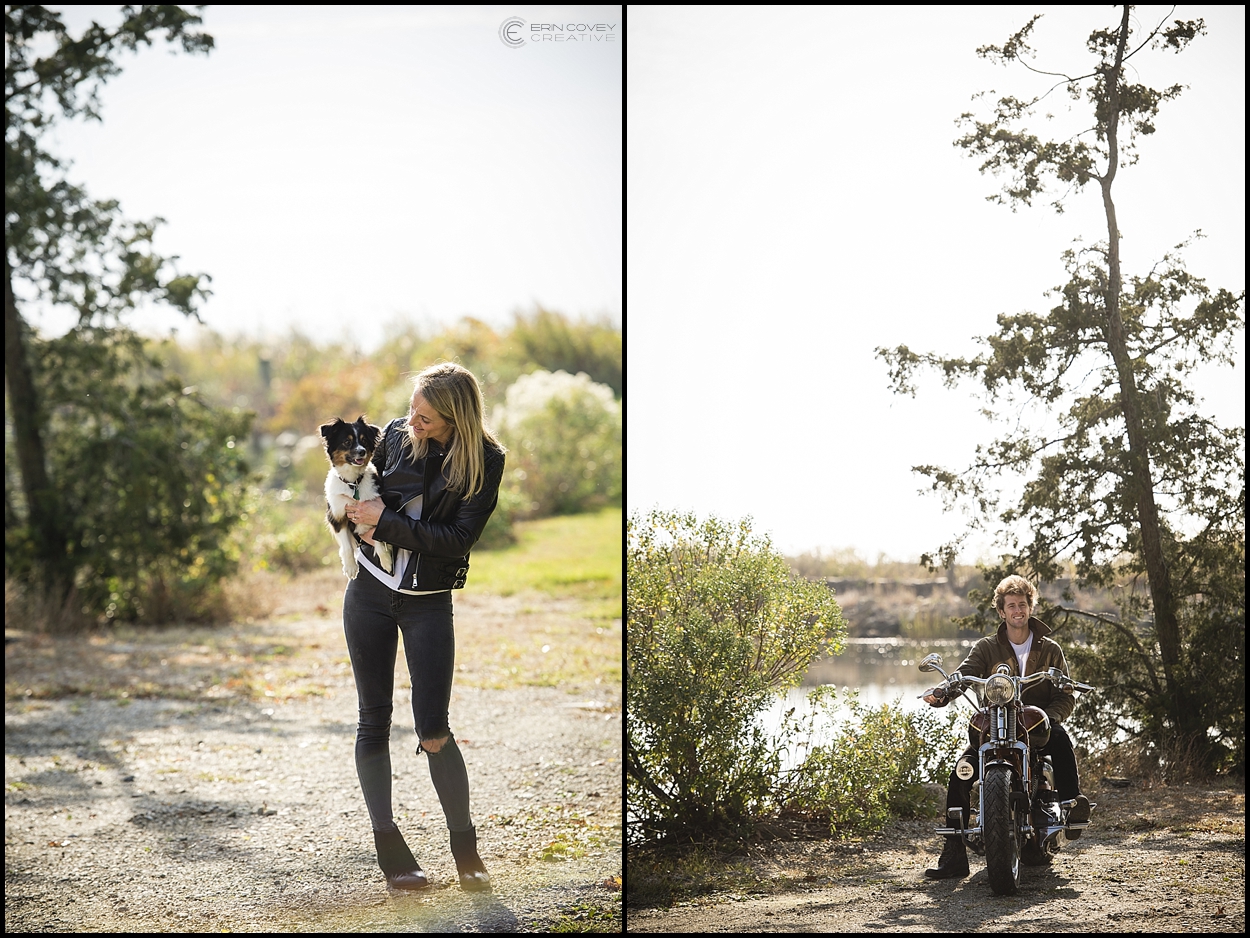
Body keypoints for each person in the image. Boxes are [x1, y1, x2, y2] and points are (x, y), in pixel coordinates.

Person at [341, 362, 505, 891]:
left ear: (455, 417)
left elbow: (456, 537)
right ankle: (390, 849)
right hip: (367, 594)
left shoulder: (486, 461)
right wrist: (348, 512)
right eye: (412, 409)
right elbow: (359, 492)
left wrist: (383, 522)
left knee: (433, 730)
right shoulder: (392, 435)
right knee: (374, 721)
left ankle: (466, 851)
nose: (412, 421)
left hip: (427, 602)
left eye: (426, 417)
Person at [921, 574, 1091, 880]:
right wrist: (942, 692)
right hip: (995, 728)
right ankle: (953, 854)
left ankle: (1071, 803)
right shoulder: (986, 647)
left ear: (1030, 607)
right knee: (962, 771)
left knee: (1062, 739)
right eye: (1011, 605)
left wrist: (1047, 719)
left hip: (1036, 726)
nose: (1017, 610)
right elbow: (963, 675)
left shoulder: (1050, 648)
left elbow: (1064, 695)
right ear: (1001, 611)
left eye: (1022, 604)